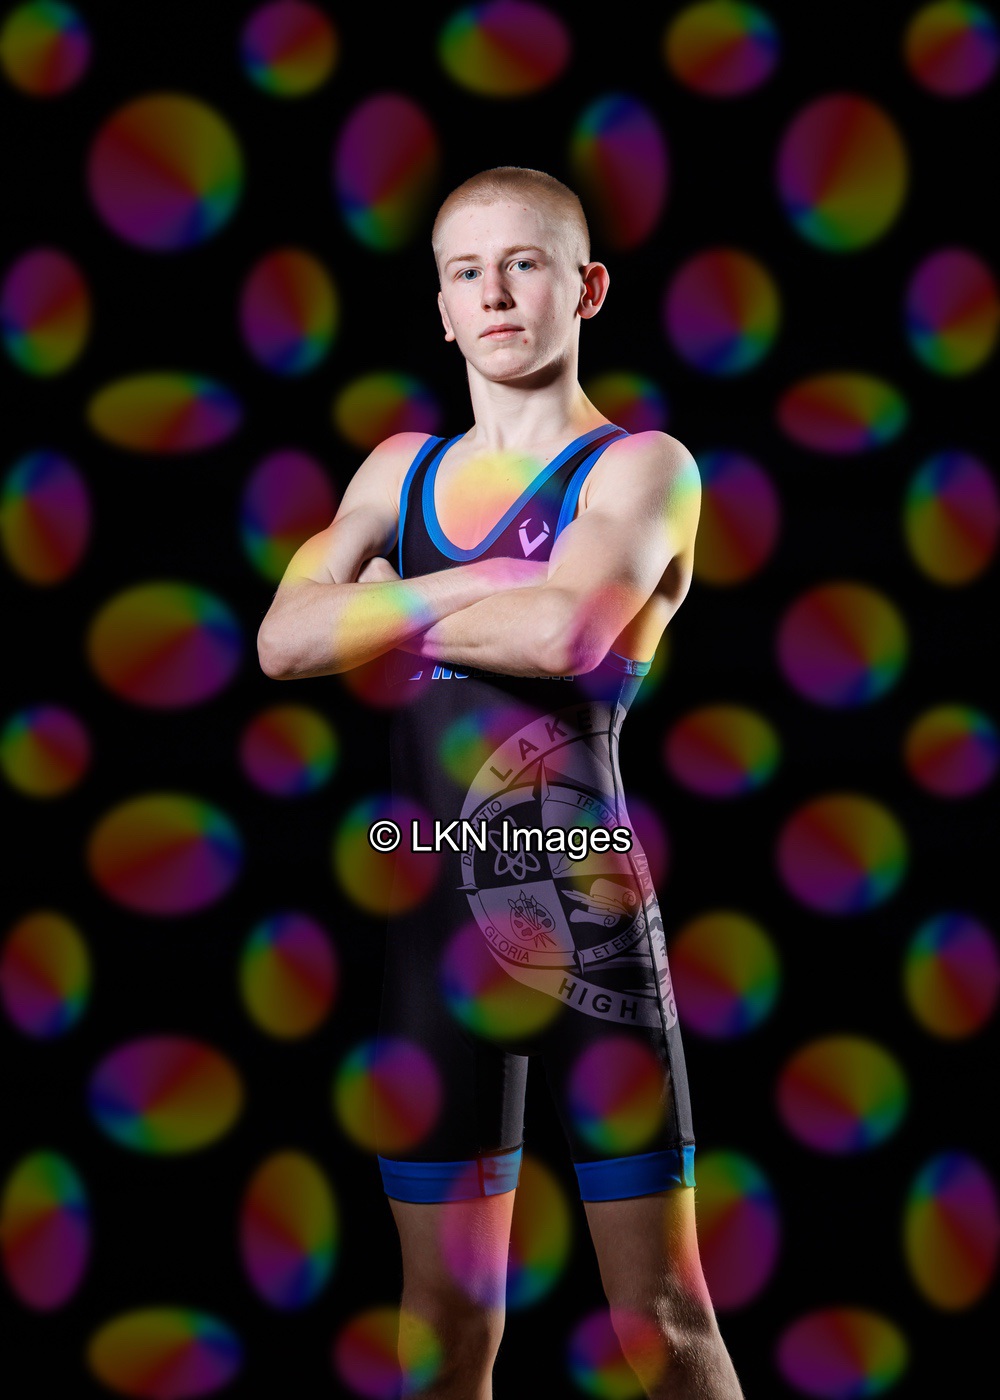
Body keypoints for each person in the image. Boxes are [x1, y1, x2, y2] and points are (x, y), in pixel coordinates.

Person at [257, 167, 743, 1400]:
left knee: (662, 1314)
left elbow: (564, 635)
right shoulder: (397, 469)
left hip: (586, 929)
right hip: (430, 932)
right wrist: (482, 582)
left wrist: (383, 608)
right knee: (441, 1324)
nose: (495, 292)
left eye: (524, 263)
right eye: (466, 271)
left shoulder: (642, 468)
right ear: (440, 307)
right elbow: (282, 642)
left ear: (586, 287)